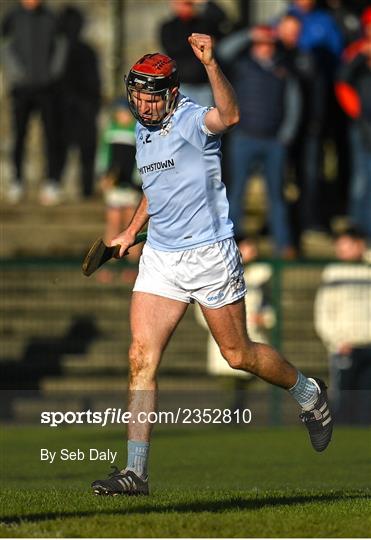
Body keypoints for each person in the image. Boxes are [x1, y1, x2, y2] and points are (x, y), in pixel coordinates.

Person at [91, 34, 333, 497]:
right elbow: (154, 188)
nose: (143, 104)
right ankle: (135, 473)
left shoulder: (190, 119)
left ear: (172, 94)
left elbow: (231, 116)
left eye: (151, 97)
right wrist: (130, 231)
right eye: (137, 95)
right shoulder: (143, 129)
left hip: (209, 254)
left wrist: (211, 64)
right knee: (140, 357)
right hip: (160, 256)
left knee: (237, 354)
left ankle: (308, 393)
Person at [217, 25, 301, 257]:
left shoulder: (284, 69)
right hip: (244, 138)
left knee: (277, 196)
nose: (265, 48)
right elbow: (222, 52)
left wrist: (286, 134)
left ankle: (283, 245)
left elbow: (294, 102)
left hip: (274, 141)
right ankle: (231, 242)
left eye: (269, 44)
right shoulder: (242, 66)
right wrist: (248, 33)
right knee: (236, 194)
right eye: (261, 43)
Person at [1, 0, 66, 204]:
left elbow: (61, 45)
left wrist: (52, 73)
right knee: (19, 134)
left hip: (47, 88)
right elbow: (4, 46)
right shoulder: (12, 17)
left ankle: (52, 182)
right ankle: (17, 181)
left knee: (51, 135)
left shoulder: (50, 16)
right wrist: (16, 74)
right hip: (21, 89)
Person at [314, 227, 371, 424]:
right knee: (344, 400)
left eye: (346, 245)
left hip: (368, 345)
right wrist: (337, 342)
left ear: (360, 244)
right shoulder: (333, 273)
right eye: (339, 246)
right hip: (345, 347)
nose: (341, 250)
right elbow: (323, 314)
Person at [53, 5, 101, 203]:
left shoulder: (78, 50)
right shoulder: (61, 49)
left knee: (79, 150)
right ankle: (59, 184)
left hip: (77, 105)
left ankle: (79, 187)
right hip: (68, 105)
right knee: (61, 148)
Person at [96, 98, 142, 283]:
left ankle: (132, 267)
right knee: (113, 224)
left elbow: (142, 157)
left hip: (131, 187)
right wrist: (103, 175)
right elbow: (104, 154)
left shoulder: (139, 130)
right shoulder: (110, 130)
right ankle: (108, 265)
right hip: (115, 187)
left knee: (132, 225)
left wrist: (137, 180)